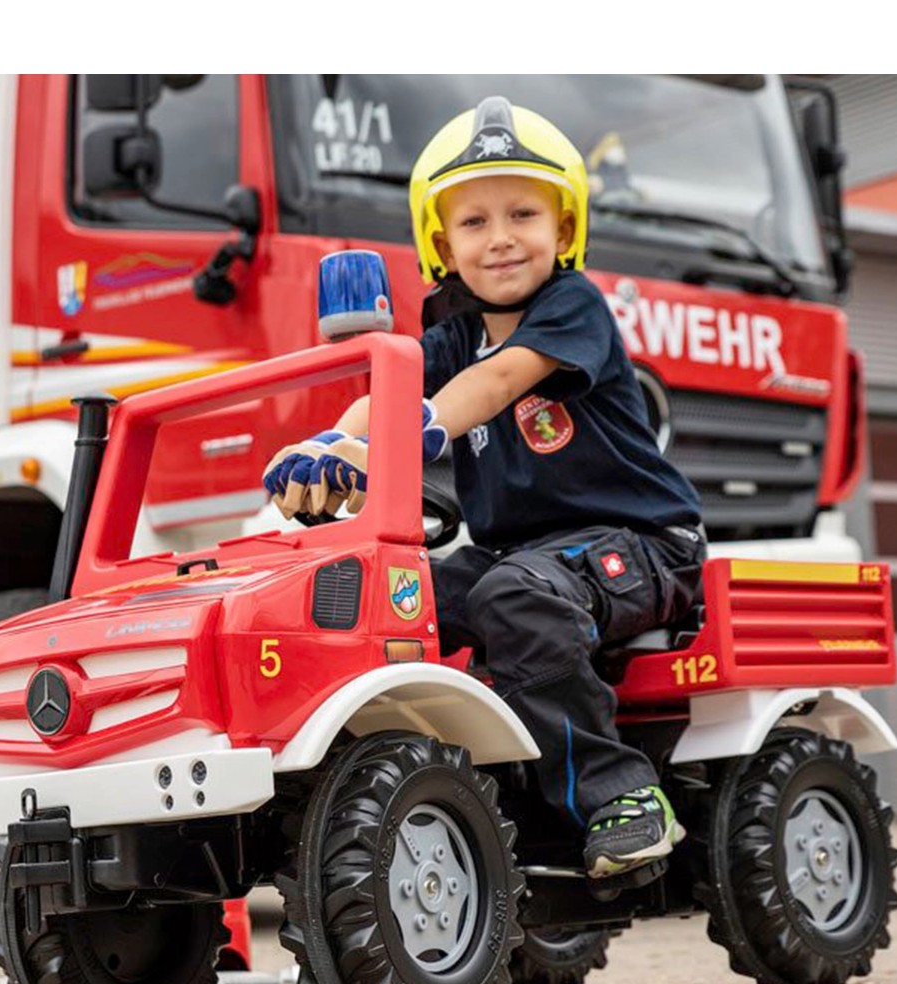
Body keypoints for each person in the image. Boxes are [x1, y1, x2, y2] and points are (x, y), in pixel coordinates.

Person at [263, 97, 705, 880]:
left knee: (513, 596)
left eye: (523, 213)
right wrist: (331, 445)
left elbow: (499, 382)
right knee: (389, 592)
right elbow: (386, 388)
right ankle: (442, 797)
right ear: (441, 243)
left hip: (641, 543)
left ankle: (623, 795)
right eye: (473, 223)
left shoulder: (572, 308)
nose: (500, 238)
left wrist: (419, 426)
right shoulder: (450, 333)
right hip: (524, 555)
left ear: (565, 229)